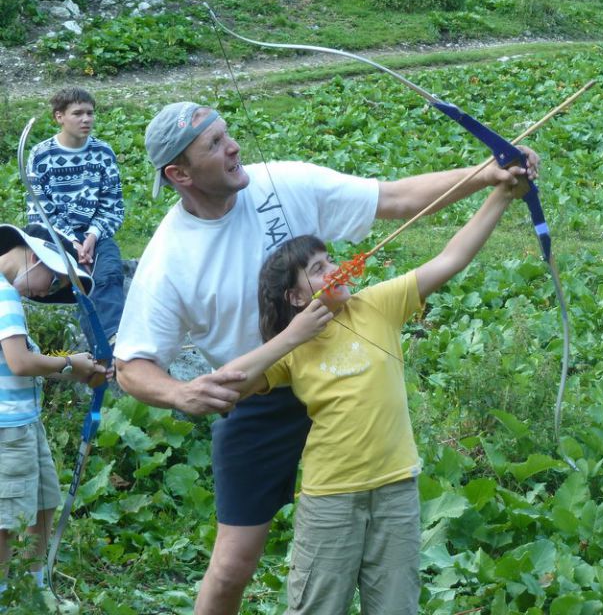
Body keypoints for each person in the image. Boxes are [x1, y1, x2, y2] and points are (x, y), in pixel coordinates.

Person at [112, 101, 538, 615]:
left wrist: (488, 174)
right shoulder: (168, 257)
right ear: (179, 174)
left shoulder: (283, 181)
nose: (234, 147)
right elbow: (131, 368)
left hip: (348, 383)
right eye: (215, 145)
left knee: (381, 550)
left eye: (229, 134)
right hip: (258, 394)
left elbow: (398, 198)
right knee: (230, 569)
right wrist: (180, 393)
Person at [217, 181, 521, 614]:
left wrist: (503, 194)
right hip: (331, 498)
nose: (335, 270)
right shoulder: (291, 348)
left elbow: (452, 258)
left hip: (396, 487)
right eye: (318, 270)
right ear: (296, 296)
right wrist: (292, 335)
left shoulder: (376, 303)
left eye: (331, 260)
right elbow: (229, 386)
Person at [0, 224, 107, 597]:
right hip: (7, 427)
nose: (51, 291)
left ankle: (31, 583)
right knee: (7, 518)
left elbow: (22, 359)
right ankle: (5, 594)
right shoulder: (4, 294)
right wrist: (69, 366)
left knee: (45, 499)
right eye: (56, 279)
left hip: (23, 421)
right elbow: (20, 362)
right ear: (35, 255)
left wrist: (75, 367)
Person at [27, 87, 126, 342]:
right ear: (59, 116)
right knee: (80, 276)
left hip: (95, 231)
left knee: (110, 272)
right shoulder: (41, 155)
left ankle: (114, 340)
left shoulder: (102, 153)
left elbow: (112, 204)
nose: (86, 119)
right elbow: (40, 208)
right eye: (78, 113)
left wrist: (92, 236)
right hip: (54, 231)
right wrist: (72, 240)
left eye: (90, 113)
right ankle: (102, 344)